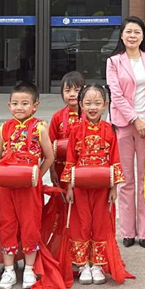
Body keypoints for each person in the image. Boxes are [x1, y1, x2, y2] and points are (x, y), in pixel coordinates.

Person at [63, 84, 133, 286]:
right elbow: (70, 159)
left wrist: (114, 187)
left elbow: (115, 159)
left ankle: (98, 264)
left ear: (105, 105)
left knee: (101, 222)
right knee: (82, 222)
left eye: (97, 103)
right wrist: (69, 187)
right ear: (81, 105)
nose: (92, 107)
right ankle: (83, 264)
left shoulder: (109, 130)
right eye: (88, 103)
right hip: (80, 186)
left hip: (103, 186)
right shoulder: (75, 130)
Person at [0, 82, 55, 289]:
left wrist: (36, 176)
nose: (19, 107)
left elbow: (49, 157)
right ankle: (9, 270)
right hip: (8, 187)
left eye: (25, 103)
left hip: (30, 188)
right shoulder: (4, 128)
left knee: (30, 224)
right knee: (7, 223)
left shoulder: (40, 128)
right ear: (9, 105)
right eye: (15, 103)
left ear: (35, 106)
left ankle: (29, 268)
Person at [106, 16, 145, 248]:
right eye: (129, 32)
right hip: (124, 125)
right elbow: (116, 95)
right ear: (121, 35)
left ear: (143, 36)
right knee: (125, 179)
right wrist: (135, 120)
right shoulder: (113, 62)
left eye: (137, 32)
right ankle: (127, 231)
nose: (133, 36)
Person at [41, 70, 85, 254]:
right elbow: (50, 147)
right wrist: (52, 171)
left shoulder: (89, 115)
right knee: (63, 206)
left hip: (84, 171)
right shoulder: (58, 117)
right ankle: (62, 247)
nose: (72, 94)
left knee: (81, 207)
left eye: (76, 90)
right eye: (68, 90)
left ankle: (80, 246)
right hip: (62, 170)